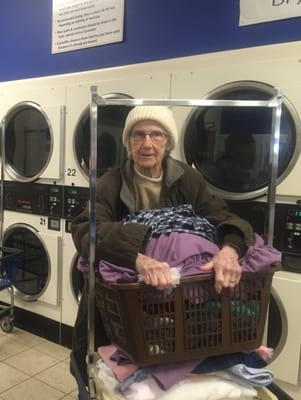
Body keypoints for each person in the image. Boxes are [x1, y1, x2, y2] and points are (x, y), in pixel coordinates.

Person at [70, 105, 254, 382]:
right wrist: (138, 258)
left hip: (177, 303)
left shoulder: (187, 179)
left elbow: (222, 216)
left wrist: (229, 250)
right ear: (128, 143)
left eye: (156, 135)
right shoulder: (111, 182)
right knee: (102, 373)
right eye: (138, 135)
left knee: (164, 372)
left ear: (168, 143)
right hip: (116, 305)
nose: (147, 144)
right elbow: (86, 229)